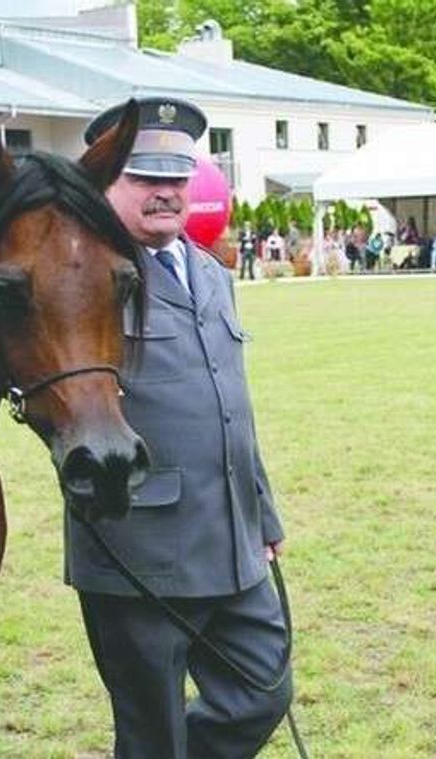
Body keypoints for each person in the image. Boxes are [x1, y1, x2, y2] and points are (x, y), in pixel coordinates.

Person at [74, 95, 292, 758]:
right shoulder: (85, 279)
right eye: (144, 177)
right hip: (139, 547)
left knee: (263, 688)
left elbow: (233, 404)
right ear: (105, 182)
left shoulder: (210, 272)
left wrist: (264, 514)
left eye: (176, 177)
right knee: (151, 731)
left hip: (231, 535)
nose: (166, 192)